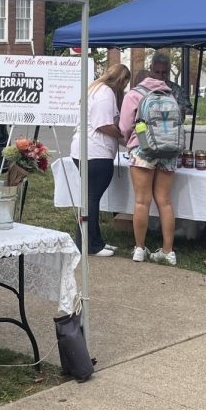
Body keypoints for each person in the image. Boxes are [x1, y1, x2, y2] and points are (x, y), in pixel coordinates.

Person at [69, 64, 130, 256]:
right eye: (126, 83)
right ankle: (89, 244)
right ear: (121, 80)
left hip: (86, 150)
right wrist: (123, 135)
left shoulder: (95, 89)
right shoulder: (106, 93)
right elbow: (103, 125)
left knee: (90, 198)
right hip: (95, 152)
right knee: (91, 199)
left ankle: (93, 241)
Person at [119, 71, 180, 265]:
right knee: (165, 201)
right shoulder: (169, 95)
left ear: (137, 81)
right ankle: (168, 251)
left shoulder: (133, 95)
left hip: (143, 149)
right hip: (168, 150)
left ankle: (139, 249)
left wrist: (130, 140)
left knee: (141, 201)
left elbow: (125, 126)